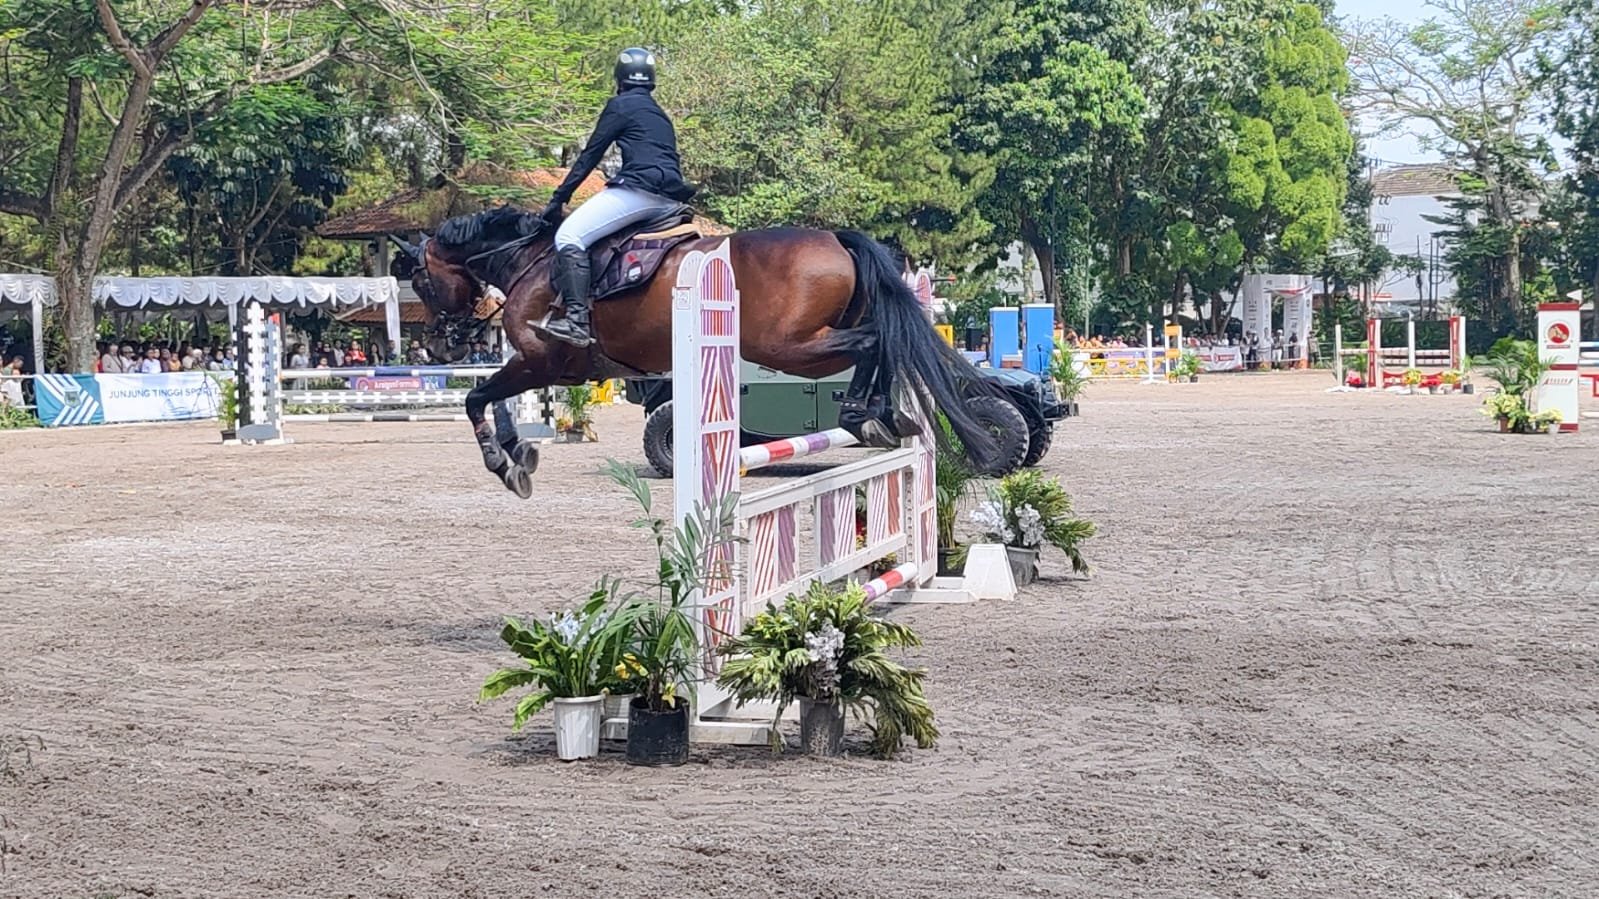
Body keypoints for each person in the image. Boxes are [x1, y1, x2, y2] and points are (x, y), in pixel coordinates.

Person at [535, 47, 697, 348]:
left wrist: (558, 199)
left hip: (640, 193)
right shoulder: (659, 113)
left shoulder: (620, 105)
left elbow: (589, 156)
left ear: (619, 80)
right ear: (651, 82)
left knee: (570, 235)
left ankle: (577, 322)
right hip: (670, 201)